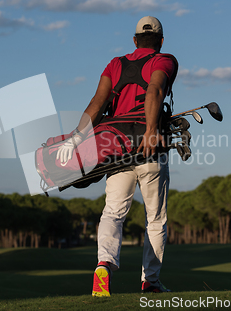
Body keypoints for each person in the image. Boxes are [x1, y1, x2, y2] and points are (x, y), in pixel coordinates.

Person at [57, 16, 177, 296]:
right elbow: (156, 89)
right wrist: (149, 129)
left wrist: (76, 138)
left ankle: (103, 265)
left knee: (113, 213)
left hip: (118, 150)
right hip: (150, 148)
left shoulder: (115, 64)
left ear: (134, 40)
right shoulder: (165, 60)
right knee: (155, 219)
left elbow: (97, 104)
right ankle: (150, 282)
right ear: (160, 41)